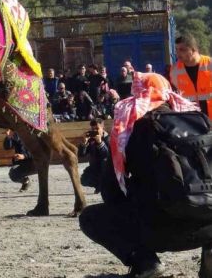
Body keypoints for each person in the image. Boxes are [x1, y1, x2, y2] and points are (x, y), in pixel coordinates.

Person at [79, 73, 212, 277]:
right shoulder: (201, 122)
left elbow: (111, 191)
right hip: (207, 227)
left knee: (90, 217)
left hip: (160, 231)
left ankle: (146, 262)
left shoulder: (132, 130)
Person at [170, 35, 212, 118]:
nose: (178, 53)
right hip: (191, 122)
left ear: (193, 50)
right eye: (177, 50)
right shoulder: (174, 71)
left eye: (182, 50)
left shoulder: (210, 64)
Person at [78, 118, 109, 193]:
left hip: (107, 170)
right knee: (84, 180)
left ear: (103, 128)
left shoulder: (109, 139)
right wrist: (84, 143)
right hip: (94, 168)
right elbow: (81, 155)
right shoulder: (91, 139)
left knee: (105, 163)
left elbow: (107, 155)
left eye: (97, 128)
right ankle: (99, 185)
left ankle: (103, 185)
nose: (95, 131)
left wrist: (100, 143)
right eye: (93, 129)